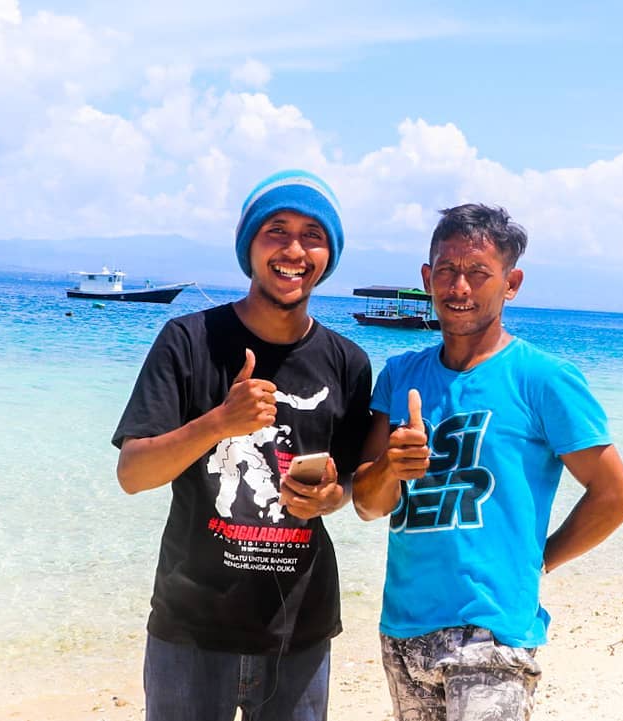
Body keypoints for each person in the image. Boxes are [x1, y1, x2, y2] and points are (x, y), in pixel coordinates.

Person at [352, 204, 623, 721]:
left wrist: (538, 560)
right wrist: (392, 467)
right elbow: (367, 507)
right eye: (446, 270)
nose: (459, 287)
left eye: (478, 273)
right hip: (403, 629)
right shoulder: (399, 376)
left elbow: (616, 496)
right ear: (426, 277)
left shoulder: (543, 378)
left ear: (511, 284)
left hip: (492, 635)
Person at [113, 169, 373, 721]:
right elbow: (133, 474)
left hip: (298, 628)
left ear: (330, 254)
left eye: (313, 234)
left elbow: (347, 484)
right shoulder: (188, 341)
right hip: (191, 626)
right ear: (249, 246)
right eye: (276, 230)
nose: (294, 249)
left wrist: (330, 497)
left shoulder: (348, 363)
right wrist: (217, 424)